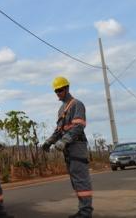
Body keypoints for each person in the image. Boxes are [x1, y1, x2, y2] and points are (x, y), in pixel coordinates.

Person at [41, 76, 93, 218]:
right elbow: (59, 130)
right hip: (68, 149)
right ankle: (82, 210)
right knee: (75, 180)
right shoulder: (61, 109)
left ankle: (86, 212)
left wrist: (64, 141)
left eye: (60, 90)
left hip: (77, 146)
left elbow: (78, 126)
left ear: (67, 88)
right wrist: (49, 141)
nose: (58, 93)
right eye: (56, 91)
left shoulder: (77, 104)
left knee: (81, 180)